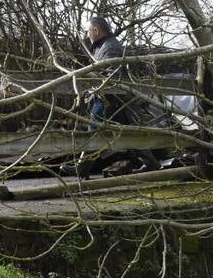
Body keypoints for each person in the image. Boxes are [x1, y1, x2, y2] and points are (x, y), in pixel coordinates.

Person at [63, 16, 160, 179]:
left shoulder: (110, 47)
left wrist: (94, 84)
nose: (87, 35)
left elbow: (112, 76)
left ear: (96, 30)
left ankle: (83, 168)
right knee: (128, 133)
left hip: (110, 99)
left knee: (93, 129)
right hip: (113, 99)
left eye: (88, 32)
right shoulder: (105, 45)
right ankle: (151, 162)